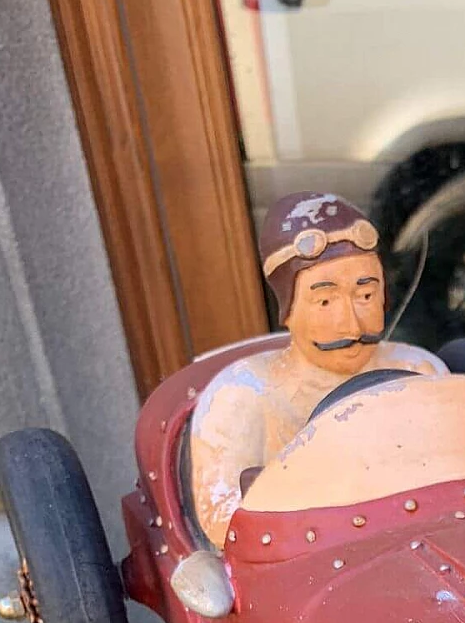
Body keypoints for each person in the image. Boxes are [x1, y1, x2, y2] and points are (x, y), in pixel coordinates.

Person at [189, 192, 445, 545]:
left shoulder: (419, 370)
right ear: (288, 309)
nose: (352, 326)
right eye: (324, 301)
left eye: (366, 296)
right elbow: (226, 524)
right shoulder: (243, 396)